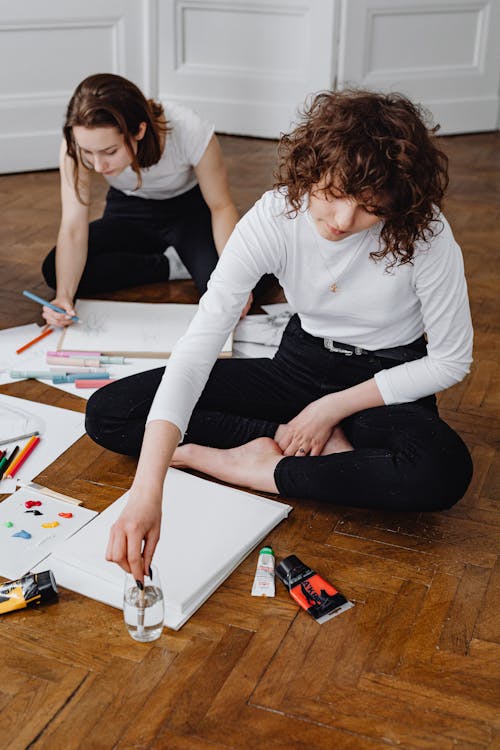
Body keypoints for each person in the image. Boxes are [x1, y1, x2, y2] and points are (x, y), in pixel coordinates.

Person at [86, 89, 474, 583]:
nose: (343, 222)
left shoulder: (427, 234)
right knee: (110, 414)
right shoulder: (274, 216)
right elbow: (198, 347)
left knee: (441, 470)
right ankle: (314, 452)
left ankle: (258, 469)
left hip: (384, 379)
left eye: (370, 209)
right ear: (310, 168)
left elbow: (450, 361)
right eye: (332, 195)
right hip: (299, 365)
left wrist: (329, 410)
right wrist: (148, 488)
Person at [40, 72, 251, 327]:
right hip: (128, 210)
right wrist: (64, 297)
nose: (98, 165)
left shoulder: (188, 128)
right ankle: (169, 265)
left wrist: (236, 281)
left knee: (240, 286)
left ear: (139, 130)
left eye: (110, 151)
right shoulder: (76, 142)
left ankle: (187, 257)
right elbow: (73, 227)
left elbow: (221, 206)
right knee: (55, 270)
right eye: (88, 153)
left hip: (187, 211)